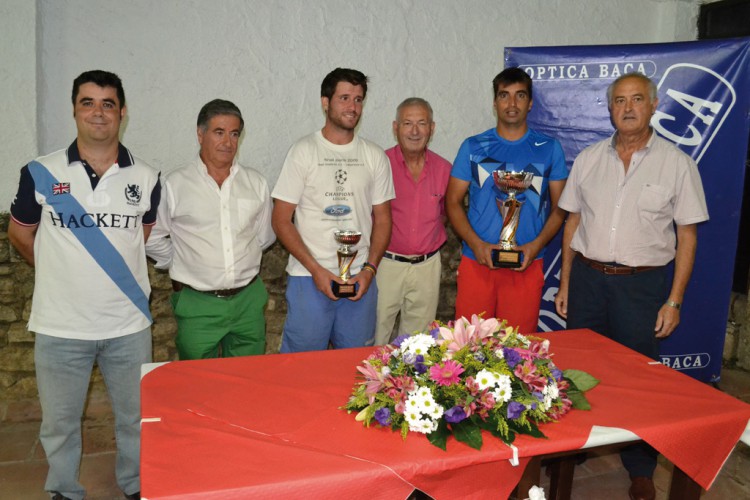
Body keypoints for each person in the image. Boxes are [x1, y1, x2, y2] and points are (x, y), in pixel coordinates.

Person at [554, 72, 709, 500]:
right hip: (587, 280)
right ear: (609, 108)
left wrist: (674, 300)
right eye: (619, 100)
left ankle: (641, 467)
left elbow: (688, 236)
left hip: (642, 287)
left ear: (654, 105)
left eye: (637, 99)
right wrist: (566, 282)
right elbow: (572, 221)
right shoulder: (587, 159)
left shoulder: (676, 164)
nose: (627, 107)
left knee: (639, 381)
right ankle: (573, 451)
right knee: (578, 374)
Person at [8, 70, 160, 500]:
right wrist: (59, 271)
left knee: (135, 417)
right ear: (74, 109)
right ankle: (63, 490)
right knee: (58, 422)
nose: (98, 112)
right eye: (88, 102)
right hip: (61, 325)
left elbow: (140, 237)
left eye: (108, 103)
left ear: (122, 112)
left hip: (128, 325)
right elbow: (20, 234)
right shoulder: (40, 172)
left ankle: (134, 486)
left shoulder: (146, 177)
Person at [271, 67, 394, 352]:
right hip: (309, 279)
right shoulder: (303, 151)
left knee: (356, 369)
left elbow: (384, 219)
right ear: (325, 102)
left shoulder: (374, 156)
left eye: (359, 99)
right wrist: (315, 270)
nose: (353, 107)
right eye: (345, 98)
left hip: (360, 281)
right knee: (301, 369)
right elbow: (280, 220)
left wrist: (370, 270)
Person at [146, 99, 275, 359]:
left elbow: (263, 237)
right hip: (197, 303)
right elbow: (154, 237)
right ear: (200, 133)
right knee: (197, 384)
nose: (227, 142)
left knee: (248, 380)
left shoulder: (256, 183)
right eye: (219, 132)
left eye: (234, 133)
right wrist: (183, 262)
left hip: (247, 301)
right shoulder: (175, 184)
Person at [445, 67, 567, 332]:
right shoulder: (472, 146)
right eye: (504, 96)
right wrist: (476, 245)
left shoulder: (549, 148)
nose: (512, 104)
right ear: (494, 102)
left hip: (526, 263)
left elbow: (561, 209)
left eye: (520, 96)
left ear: (530, 102)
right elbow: (452, 202)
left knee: (520, 353)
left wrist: (535, 246)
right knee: (469, 349)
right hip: (477, 262)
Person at [374, 97, 451, 345]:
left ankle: (406, 384)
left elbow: (445, 213)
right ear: (395, 128)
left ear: (432, 128)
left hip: (427, 266)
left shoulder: (444, 169)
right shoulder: (378, 165)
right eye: (408, 123)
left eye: (422, 123)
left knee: (417, 344)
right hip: (385, 263)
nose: (415, 131)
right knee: (375, 335)